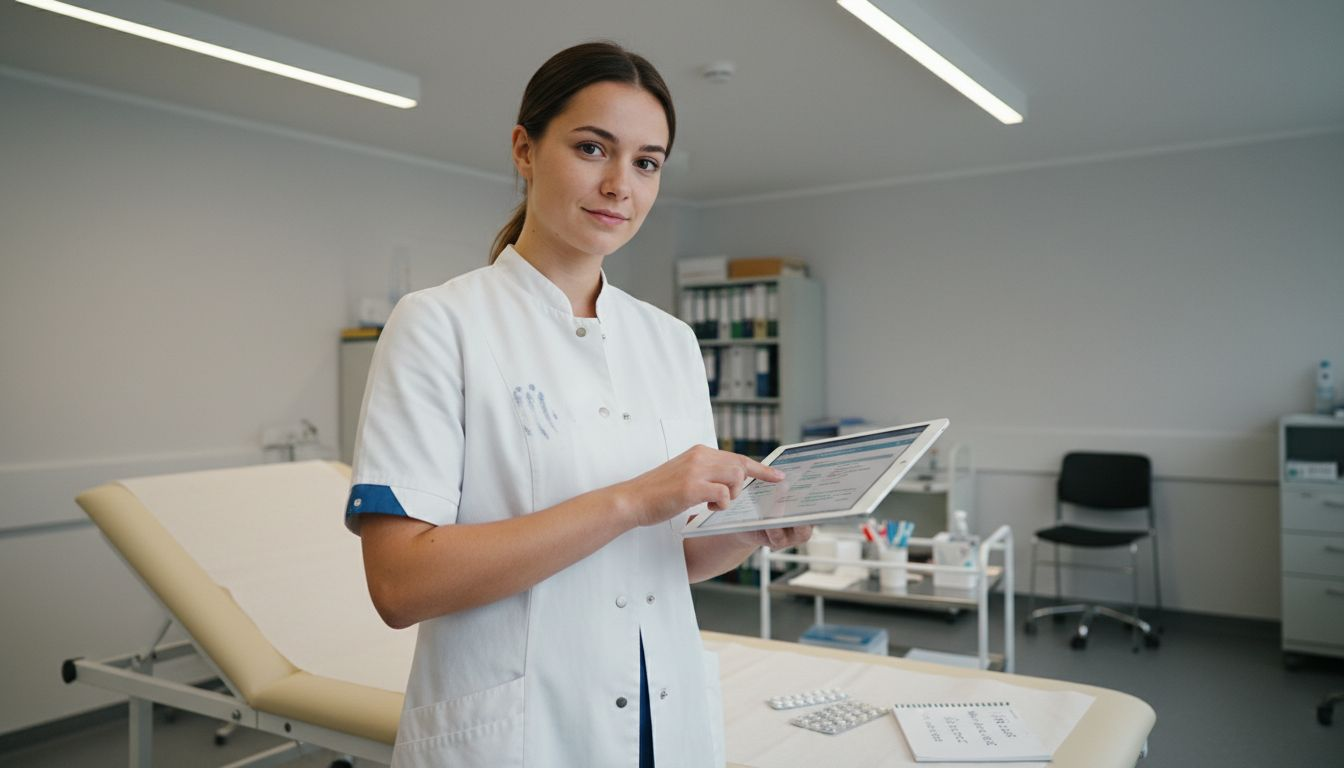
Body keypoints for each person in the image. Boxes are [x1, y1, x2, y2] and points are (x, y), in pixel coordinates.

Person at [344, 41, 812, 768]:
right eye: (594, 148)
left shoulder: (671, 341)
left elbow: (663, 558)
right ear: (525, 150)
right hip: (519, 734)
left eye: (647, 162)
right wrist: (629, 500)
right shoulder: (440, 324)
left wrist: (755, 532)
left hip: (665, 724)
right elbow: (401, 583)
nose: (620, 184)